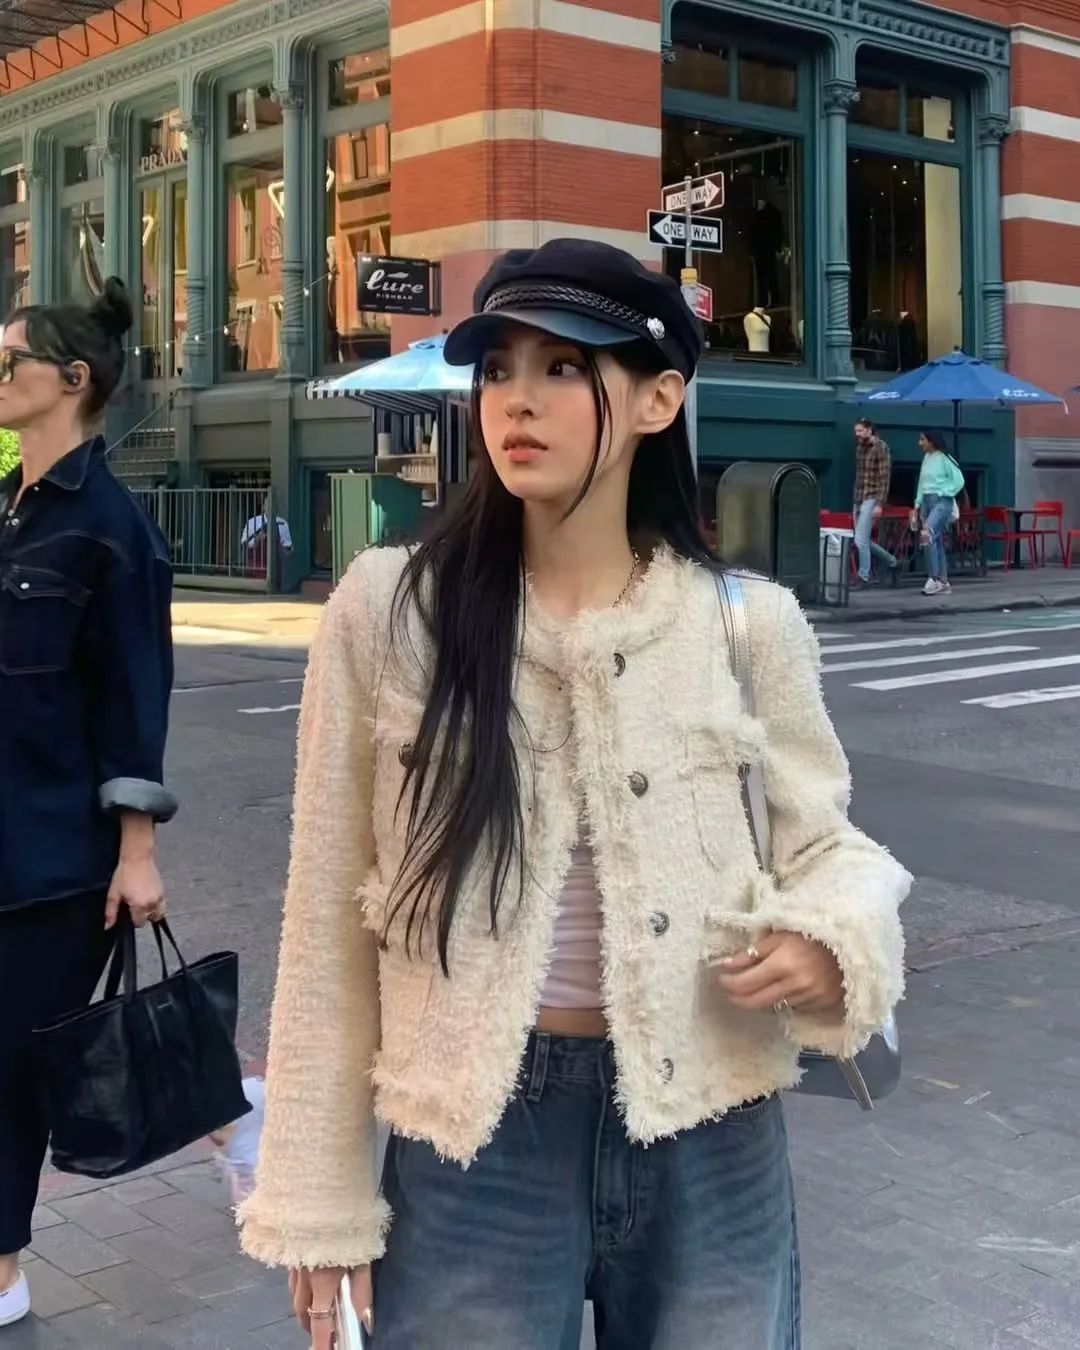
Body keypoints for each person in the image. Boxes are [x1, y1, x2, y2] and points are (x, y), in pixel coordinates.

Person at [239, 239, 910, 1350]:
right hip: (474, 1138)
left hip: (712, 1120)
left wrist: (831, 937)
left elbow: (828, 848)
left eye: (563, 367)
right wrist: (318, 1199)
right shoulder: (392, 613)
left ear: (658, 399)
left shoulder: (745, 625)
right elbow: (325, 914)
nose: (517, 400)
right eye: (498, 368)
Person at [0, 278, 176, 1328]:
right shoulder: (11, 508)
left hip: (53, 857)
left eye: (9, 360)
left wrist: (136, 851)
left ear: (71, 380)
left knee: (16, 1066)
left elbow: (135, 699)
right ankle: (233, 1119)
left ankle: (4, 1273)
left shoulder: (113, 530)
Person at [911, 430, 965, 596]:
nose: (920, 443)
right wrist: (917, 504)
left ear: (932, 441)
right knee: (936, 540)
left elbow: (959, 480)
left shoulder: (945, 458)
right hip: (926, 502)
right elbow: (922, 483)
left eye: (923, 440)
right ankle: (943, 581)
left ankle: (933, 579)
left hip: (941, 502)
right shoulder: (926, 458)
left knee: (927, 534)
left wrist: (945, 492)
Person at [852, 418, 898, 586]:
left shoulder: (881, 447)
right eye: (856, 431)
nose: (857, 434)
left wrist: (879, 504)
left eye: (860, 431)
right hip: (859, 496)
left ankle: (864, 577)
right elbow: (859, 474)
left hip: (872, 497)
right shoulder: (859, 448)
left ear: (869, 430)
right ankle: (892, 562)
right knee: (861, 539)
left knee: (860, 540)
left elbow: (884, 478)